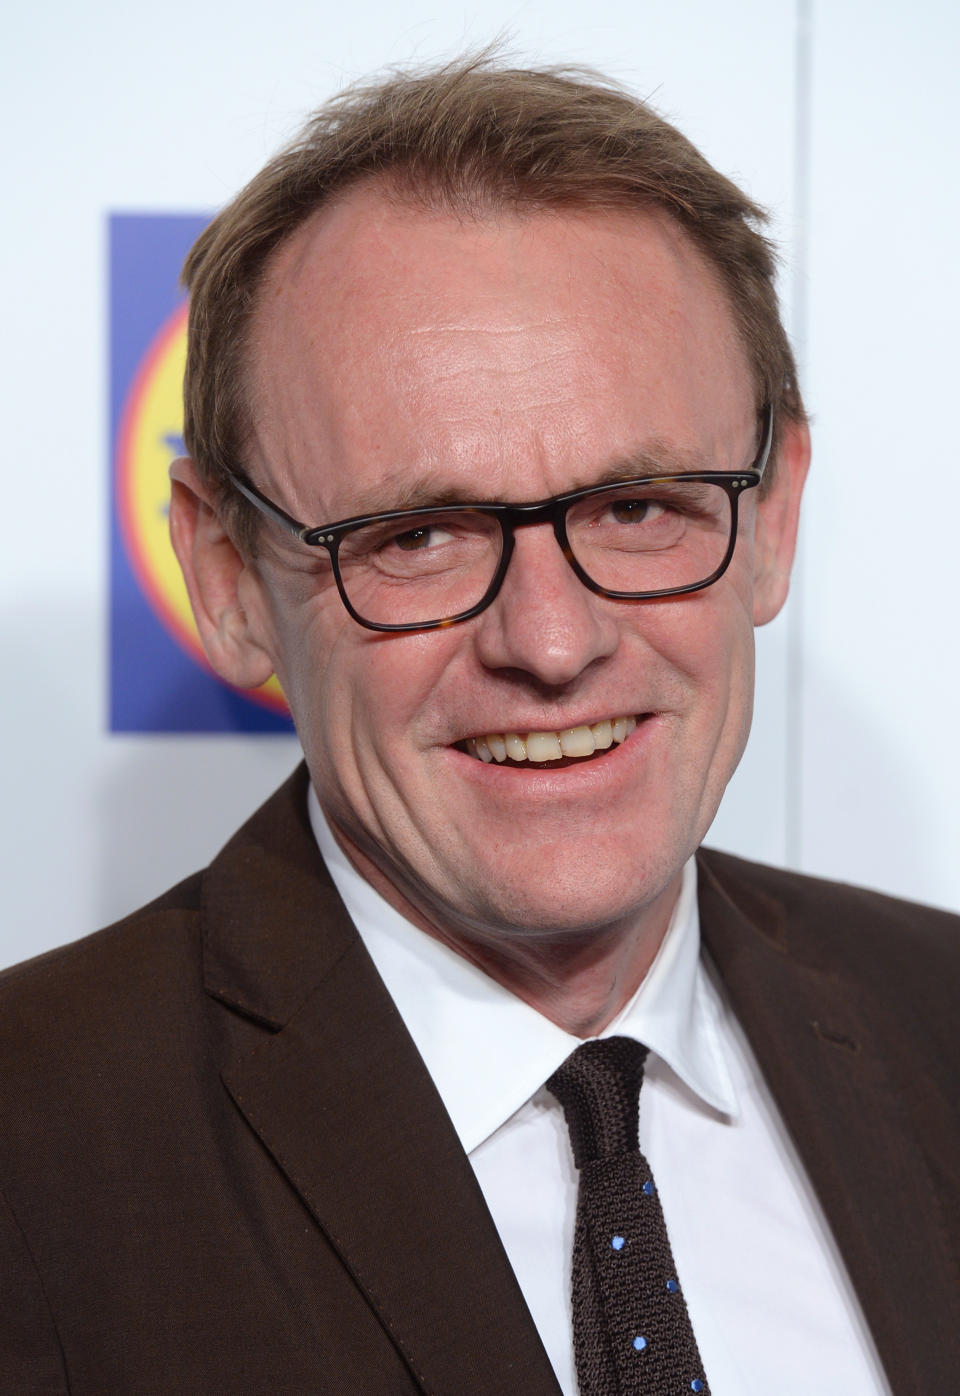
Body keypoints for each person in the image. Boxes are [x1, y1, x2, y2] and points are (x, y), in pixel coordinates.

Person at [1, 56, 957, 1396]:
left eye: (638, 506)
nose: (553, 645)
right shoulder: (34, 1150)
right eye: (420, 535)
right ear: (227, 580)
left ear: (773, 516)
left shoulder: (940, 1023)